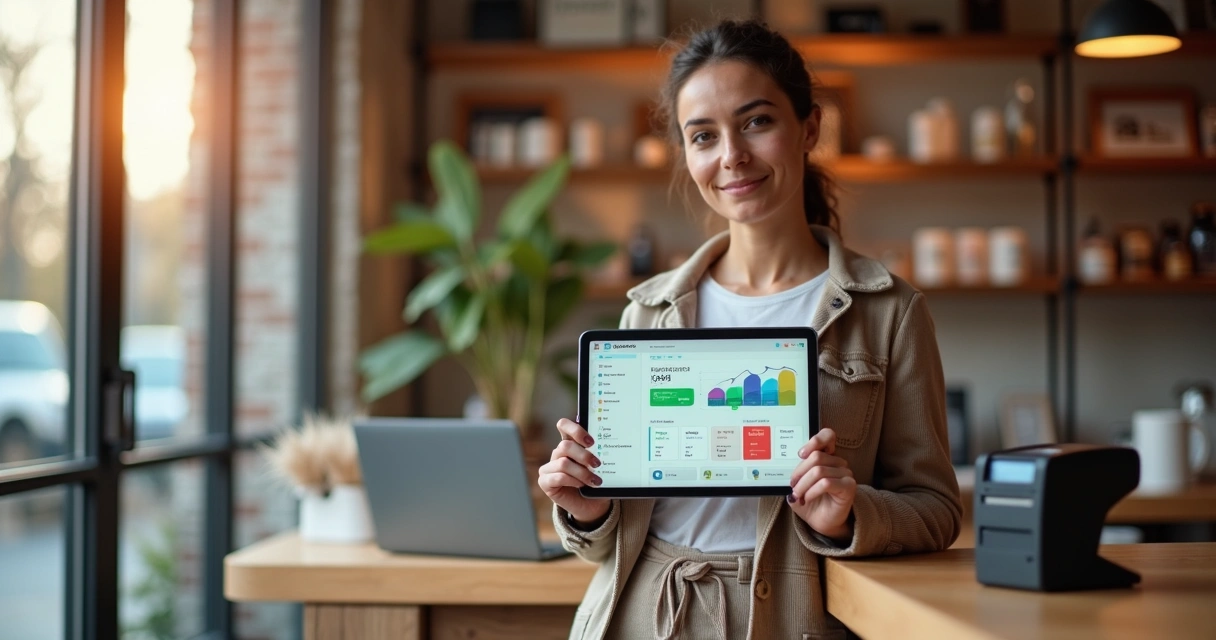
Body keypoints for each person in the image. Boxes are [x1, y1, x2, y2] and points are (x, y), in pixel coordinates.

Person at [537, 19, 962, 640]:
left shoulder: (889, 312)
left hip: (793, 620)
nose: (731, 154)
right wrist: (588, 509)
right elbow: (603, 546)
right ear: (686, 153)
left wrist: (848, 515)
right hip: (638, 615)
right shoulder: (648, 313)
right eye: (703, 136)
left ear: (808, 127)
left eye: (757, 121)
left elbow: (937, 512)